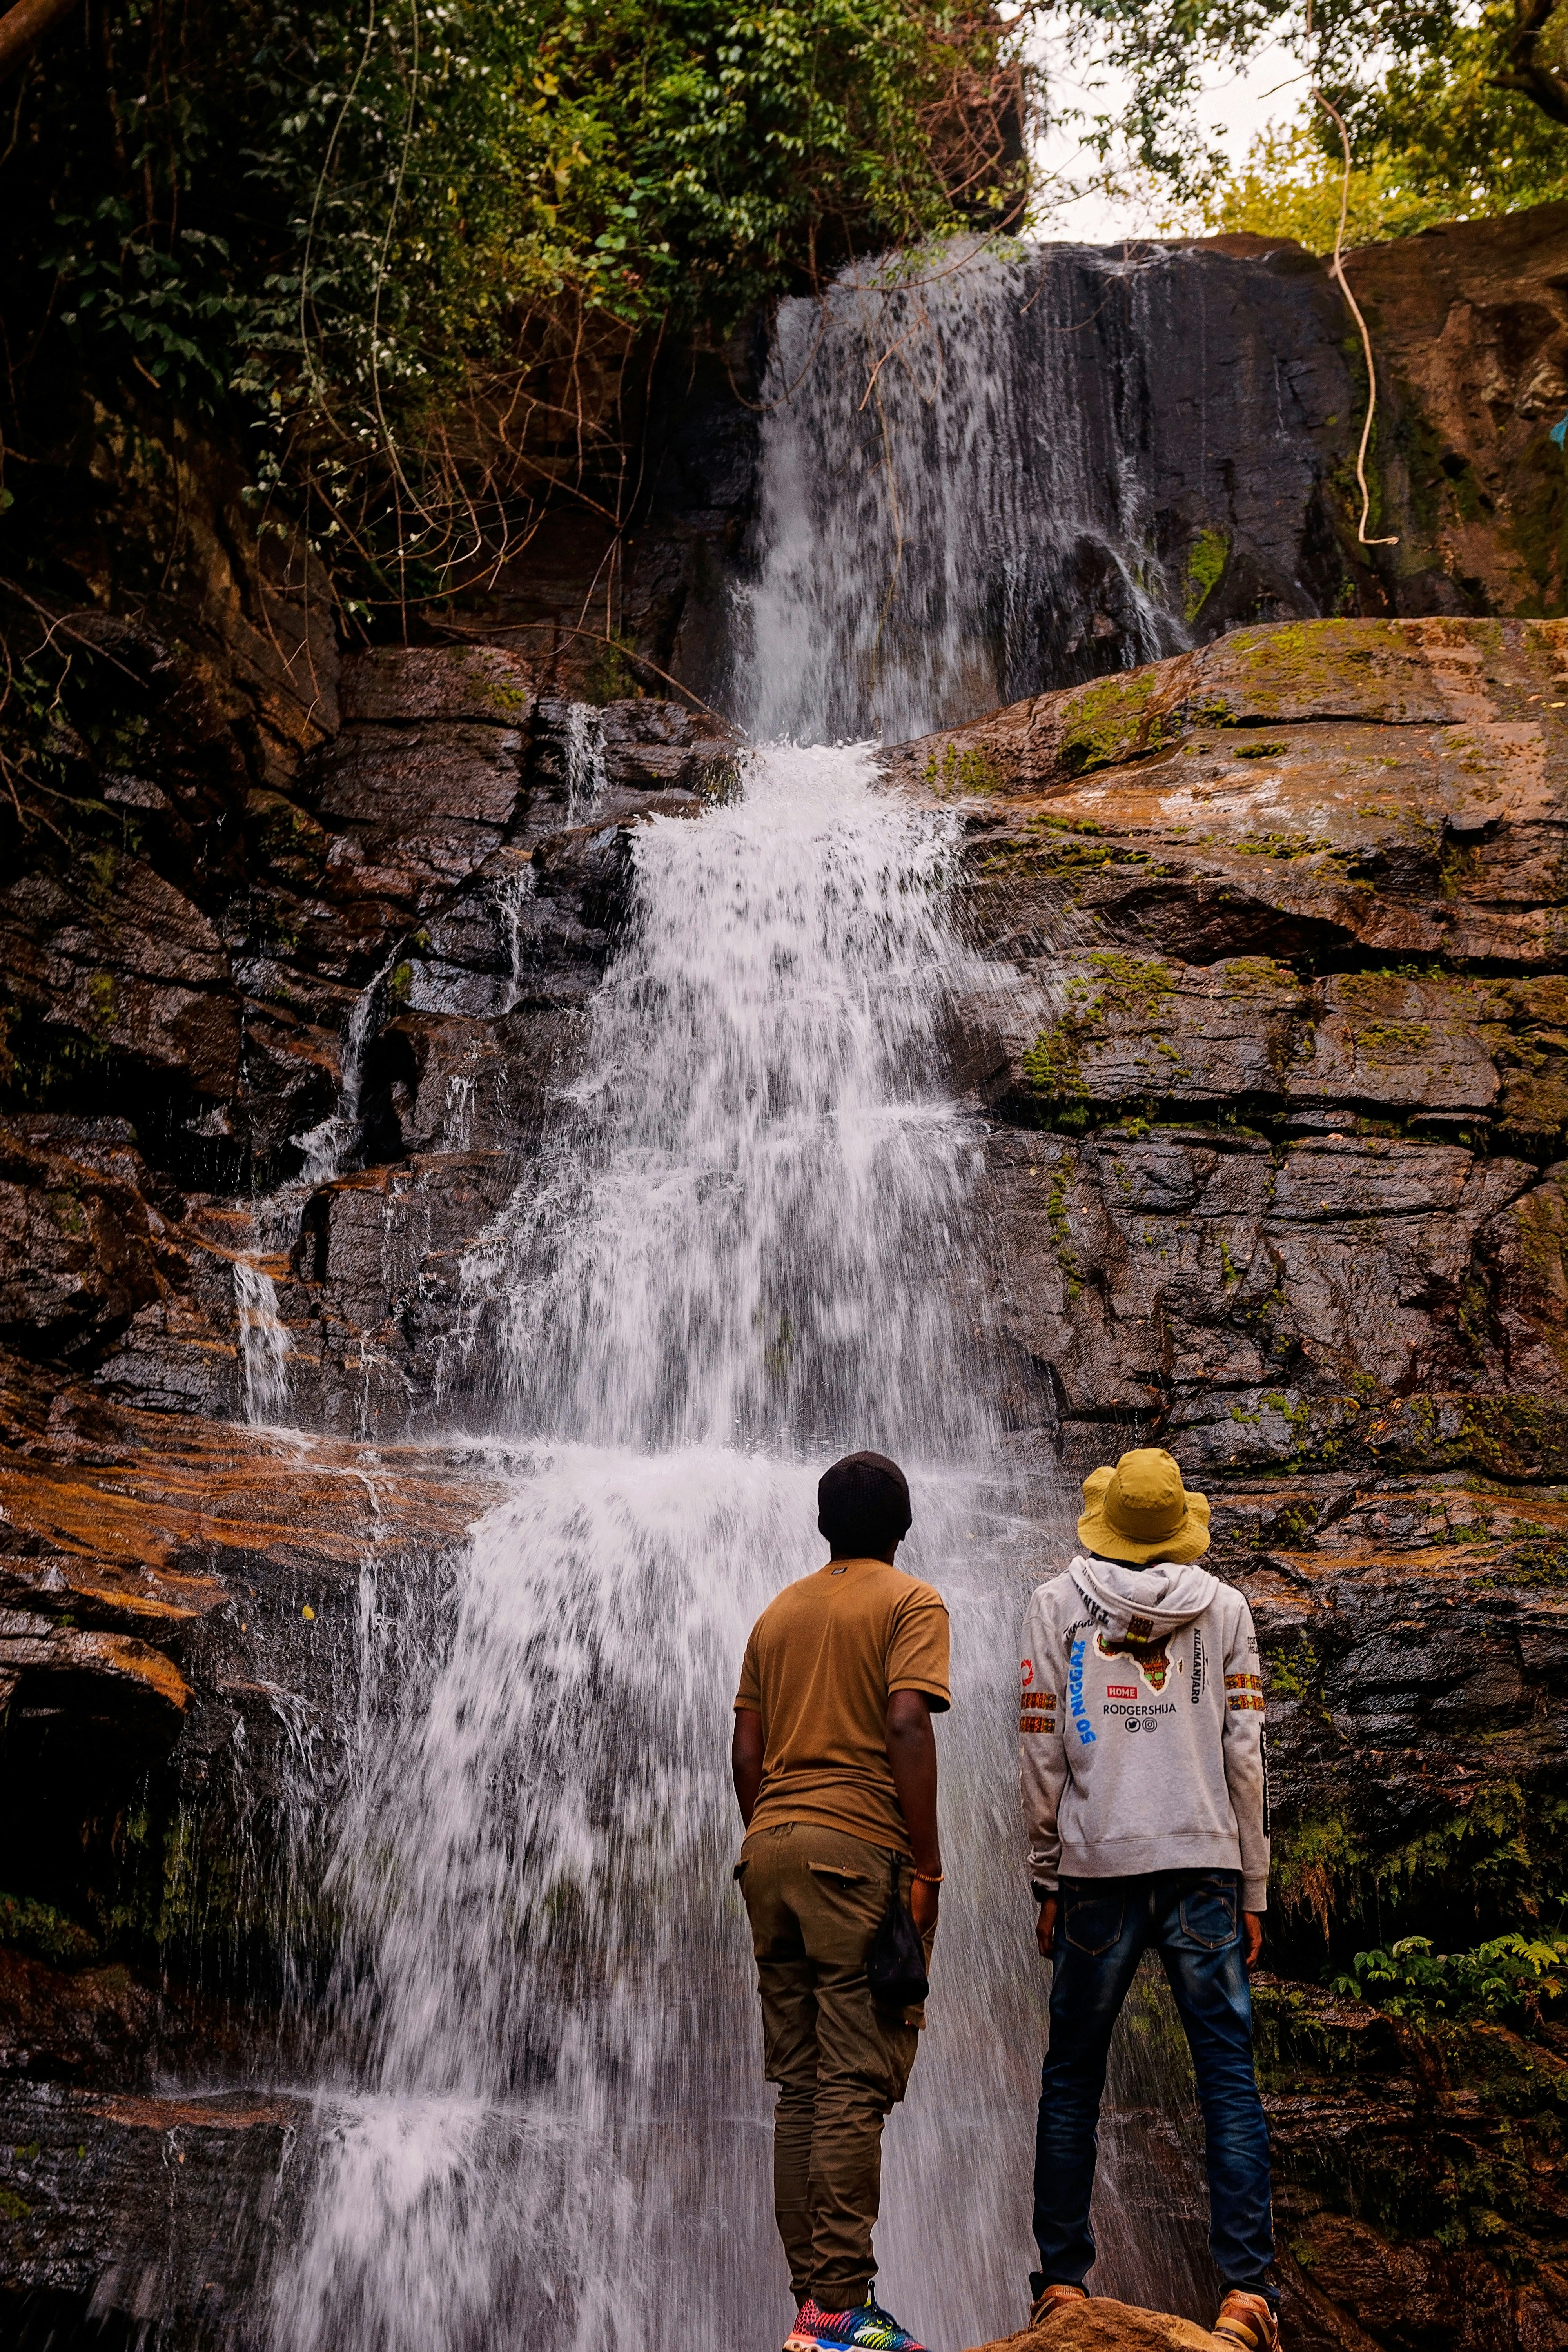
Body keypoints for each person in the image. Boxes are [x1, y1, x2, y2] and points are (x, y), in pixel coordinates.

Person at [1019, 1447, 1278, 2352]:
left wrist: (1044, 1874)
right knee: (1226, 2079)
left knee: (1071, 2080)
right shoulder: (1227, 1609)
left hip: (1095, 1870)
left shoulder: (1056, 1604)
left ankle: (1060, 2284)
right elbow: (1243, 1754)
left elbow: (1041, 1753)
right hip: (1203, 1866)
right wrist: (1253, 1883)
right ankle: (1245, 2294)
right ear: (1178, 1526)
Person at [731, 1450, 948, 2352]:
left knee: (802, 2087)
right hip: (855, 1853)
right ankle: (840, 2309)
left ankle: (810, 2307)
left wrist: (774, 1834)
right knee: (855, 2083)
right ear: (901, 1528)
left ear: (824, 1527)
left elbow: (745, 1750)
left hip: (768, 1850)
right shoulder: (909, 1602)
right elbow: (905, 1721)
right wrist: (926, 1866)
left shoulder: (777, 1611)